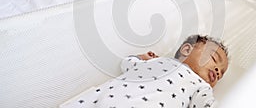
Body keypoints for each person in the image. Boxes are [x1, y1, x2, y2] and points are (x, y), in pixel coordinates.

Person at [61, 35, 229, 108]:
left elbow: (206, 104)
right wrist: (141, 58)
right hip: (108, 97)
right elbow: (127, 64)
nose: (217, 70)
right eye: (214, 59)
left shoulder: (200, 86)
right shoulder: (159, 61)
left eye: (221, 73)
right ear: (186, 49)